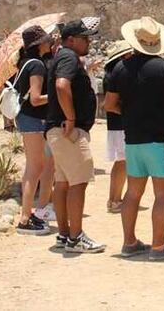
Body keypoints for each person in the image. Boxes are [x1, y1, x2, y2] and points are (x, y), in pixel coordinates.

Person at [107, 16, 164, 261]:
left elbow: (110, 104)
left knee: (133, 193)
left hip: (133, 139)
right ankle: (158, 246)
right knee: (163, 194)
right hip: (159, 138)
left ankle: (129, 242)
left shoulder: (121, 68)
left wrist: (131, 111)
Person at [45, 17, 105, 254]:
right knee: (78, 182)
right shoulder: (69, 57)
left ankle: (64, 233)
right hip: (68, 130)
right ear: (71, 40)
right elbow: (62, 86)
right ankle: (76, 237)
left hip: (57, 130)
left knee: (62, 183)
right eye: (84, 38)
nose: (88, 42)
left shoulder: (62, 57)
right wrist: (70, 118)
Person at [13, 25, 56, 235]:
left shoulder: (25, 63)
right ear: (41, 44)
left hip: (28, 119)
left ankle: (33, 214)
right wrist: (58, 95)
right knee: (35, 168)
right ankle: (25, 217)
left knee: (37, 167)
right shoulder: (37, 66)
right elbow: (37, 99)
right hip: (34, 120)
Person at [101, 40, 134, 214]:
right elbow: (110, 104)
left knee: (121, 162)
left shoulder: (111, 75)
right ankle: (115, 200)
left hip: (116, 125)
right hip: (121, 124)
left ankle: (114, 199)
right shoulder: (117, 75)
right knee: (122, 163)